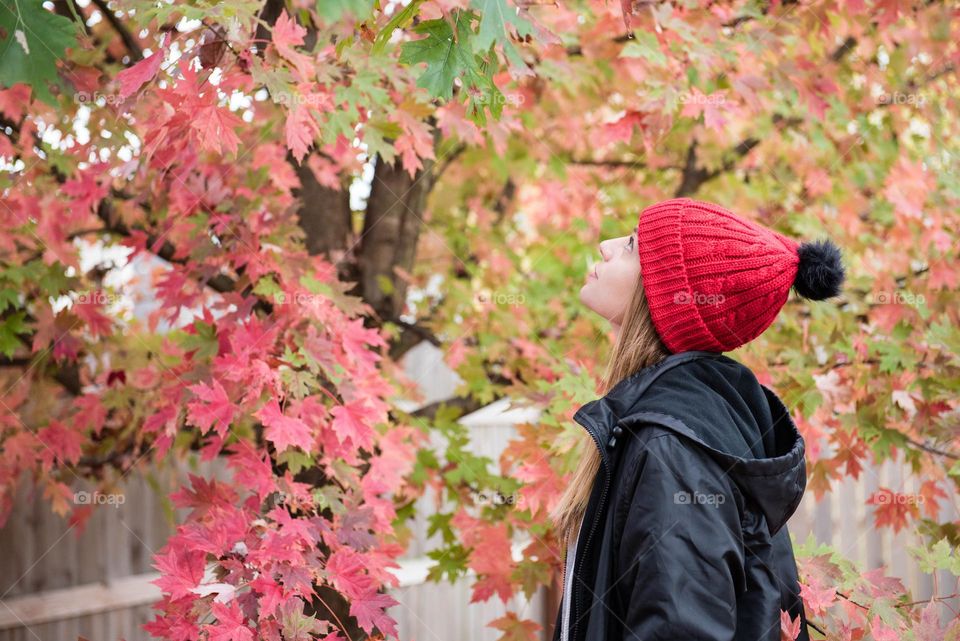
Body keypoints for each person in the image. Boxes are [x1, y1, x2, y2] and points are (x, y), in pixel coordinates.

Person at [549, 197, 845, 641]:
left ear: (666, 297)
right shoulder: (680, 423)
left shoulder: (672, 449)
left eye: (631, 245)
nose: (608, 246)